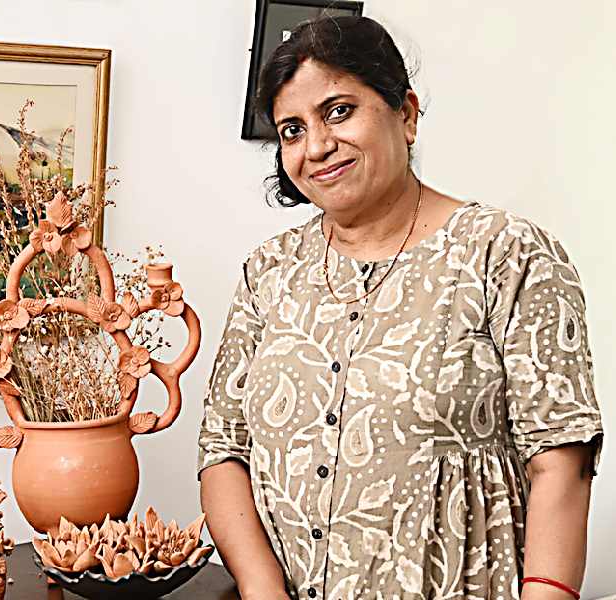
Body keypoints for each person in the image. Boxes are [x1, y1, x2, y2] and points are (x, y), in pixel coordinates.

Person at [197, 15, 603, 600]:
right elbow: (223, 449)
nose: (316, 146)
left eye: (339, 111)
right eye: (291, 129)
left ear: (406, 113)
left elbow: (560, 456)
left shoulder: (502, 253)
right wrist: (263, 591)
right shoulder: (270, 270)